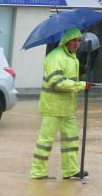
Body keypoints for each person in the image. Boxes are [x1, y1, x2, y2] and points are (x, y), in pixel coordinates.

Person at [30, 27, 91, 181]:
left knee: (71, 139)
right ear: (66, 41)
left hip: (68, 108)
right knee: (46, 140)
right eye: (74, 40)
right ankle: (38, 172)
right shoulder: (55, 57)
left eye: (79, 40)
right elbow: (56, 82)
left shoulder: (73, 58)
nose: (76, 43)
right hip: (53, 107)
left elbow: (68, 78)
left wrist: (82, 74)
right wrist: (81, 86)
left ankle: (70, 170)